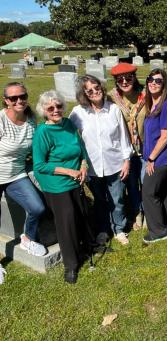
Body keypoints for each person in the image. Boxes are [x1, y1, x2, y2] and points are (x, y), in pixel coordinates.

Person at [32, 90, 93, 284]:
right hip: (56, 183)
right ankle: (71, 265)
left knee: (81, 214)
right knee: (66, 222)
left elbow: (81, 149)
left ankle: (87, 246)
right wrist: (69, 172)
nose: (56, 110)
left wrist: (83, 166)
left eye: (58, 106)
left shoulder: (68, 124)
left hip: (76, 178)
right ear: (44, 110)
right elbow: (39, 165)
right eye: (50, 107)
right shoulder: (42, 132)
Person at [70, 75, 132, 245]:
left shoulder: (113, 109)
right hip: (92, 166)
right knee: (100, 200)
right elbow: (67, 134)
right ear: (84, 94)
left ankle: (119, 229)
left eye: (97, 87)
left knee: (117, 198)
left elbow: (123, 137)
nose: (95, 92)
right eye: (89, 90)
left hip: (115, 163)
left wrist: (126, 160)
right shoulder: (78, 112)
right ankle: (103, 229)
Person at [0, 82, 47, 257]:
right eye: (13, 98)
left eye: (23, 96)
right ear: (6, 101)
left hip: (16, 175)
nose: (19, 100)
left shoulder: (31, 122)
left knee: (37, 208)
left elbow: (36, 149)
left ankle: (27, 239)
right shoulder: (1, 120)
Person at [141, 68, 167, 243]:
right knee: (165, 190)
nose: (153, 83)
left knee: (149, 193)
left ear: (164, 85)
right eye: (151, 79)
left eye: (158, 81)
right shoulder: (153, 104)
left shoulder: (166, 105)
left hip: (161, 158)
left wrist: (151, 158)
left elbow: (165, 136)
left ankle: (158, 231)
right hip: (157, 157)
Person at [109, 63, 147, 230]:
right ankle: (137, 212)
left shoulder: (146, 94)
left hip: (146, 147)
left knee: (146, 183)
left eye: (128, 78)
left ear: (134, 77)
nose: (125, 81)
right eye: (120, 79)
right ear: (116, 81)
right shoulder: (111, 98)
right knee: (131, 184)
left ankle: (149, 212)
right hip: (125, 151)